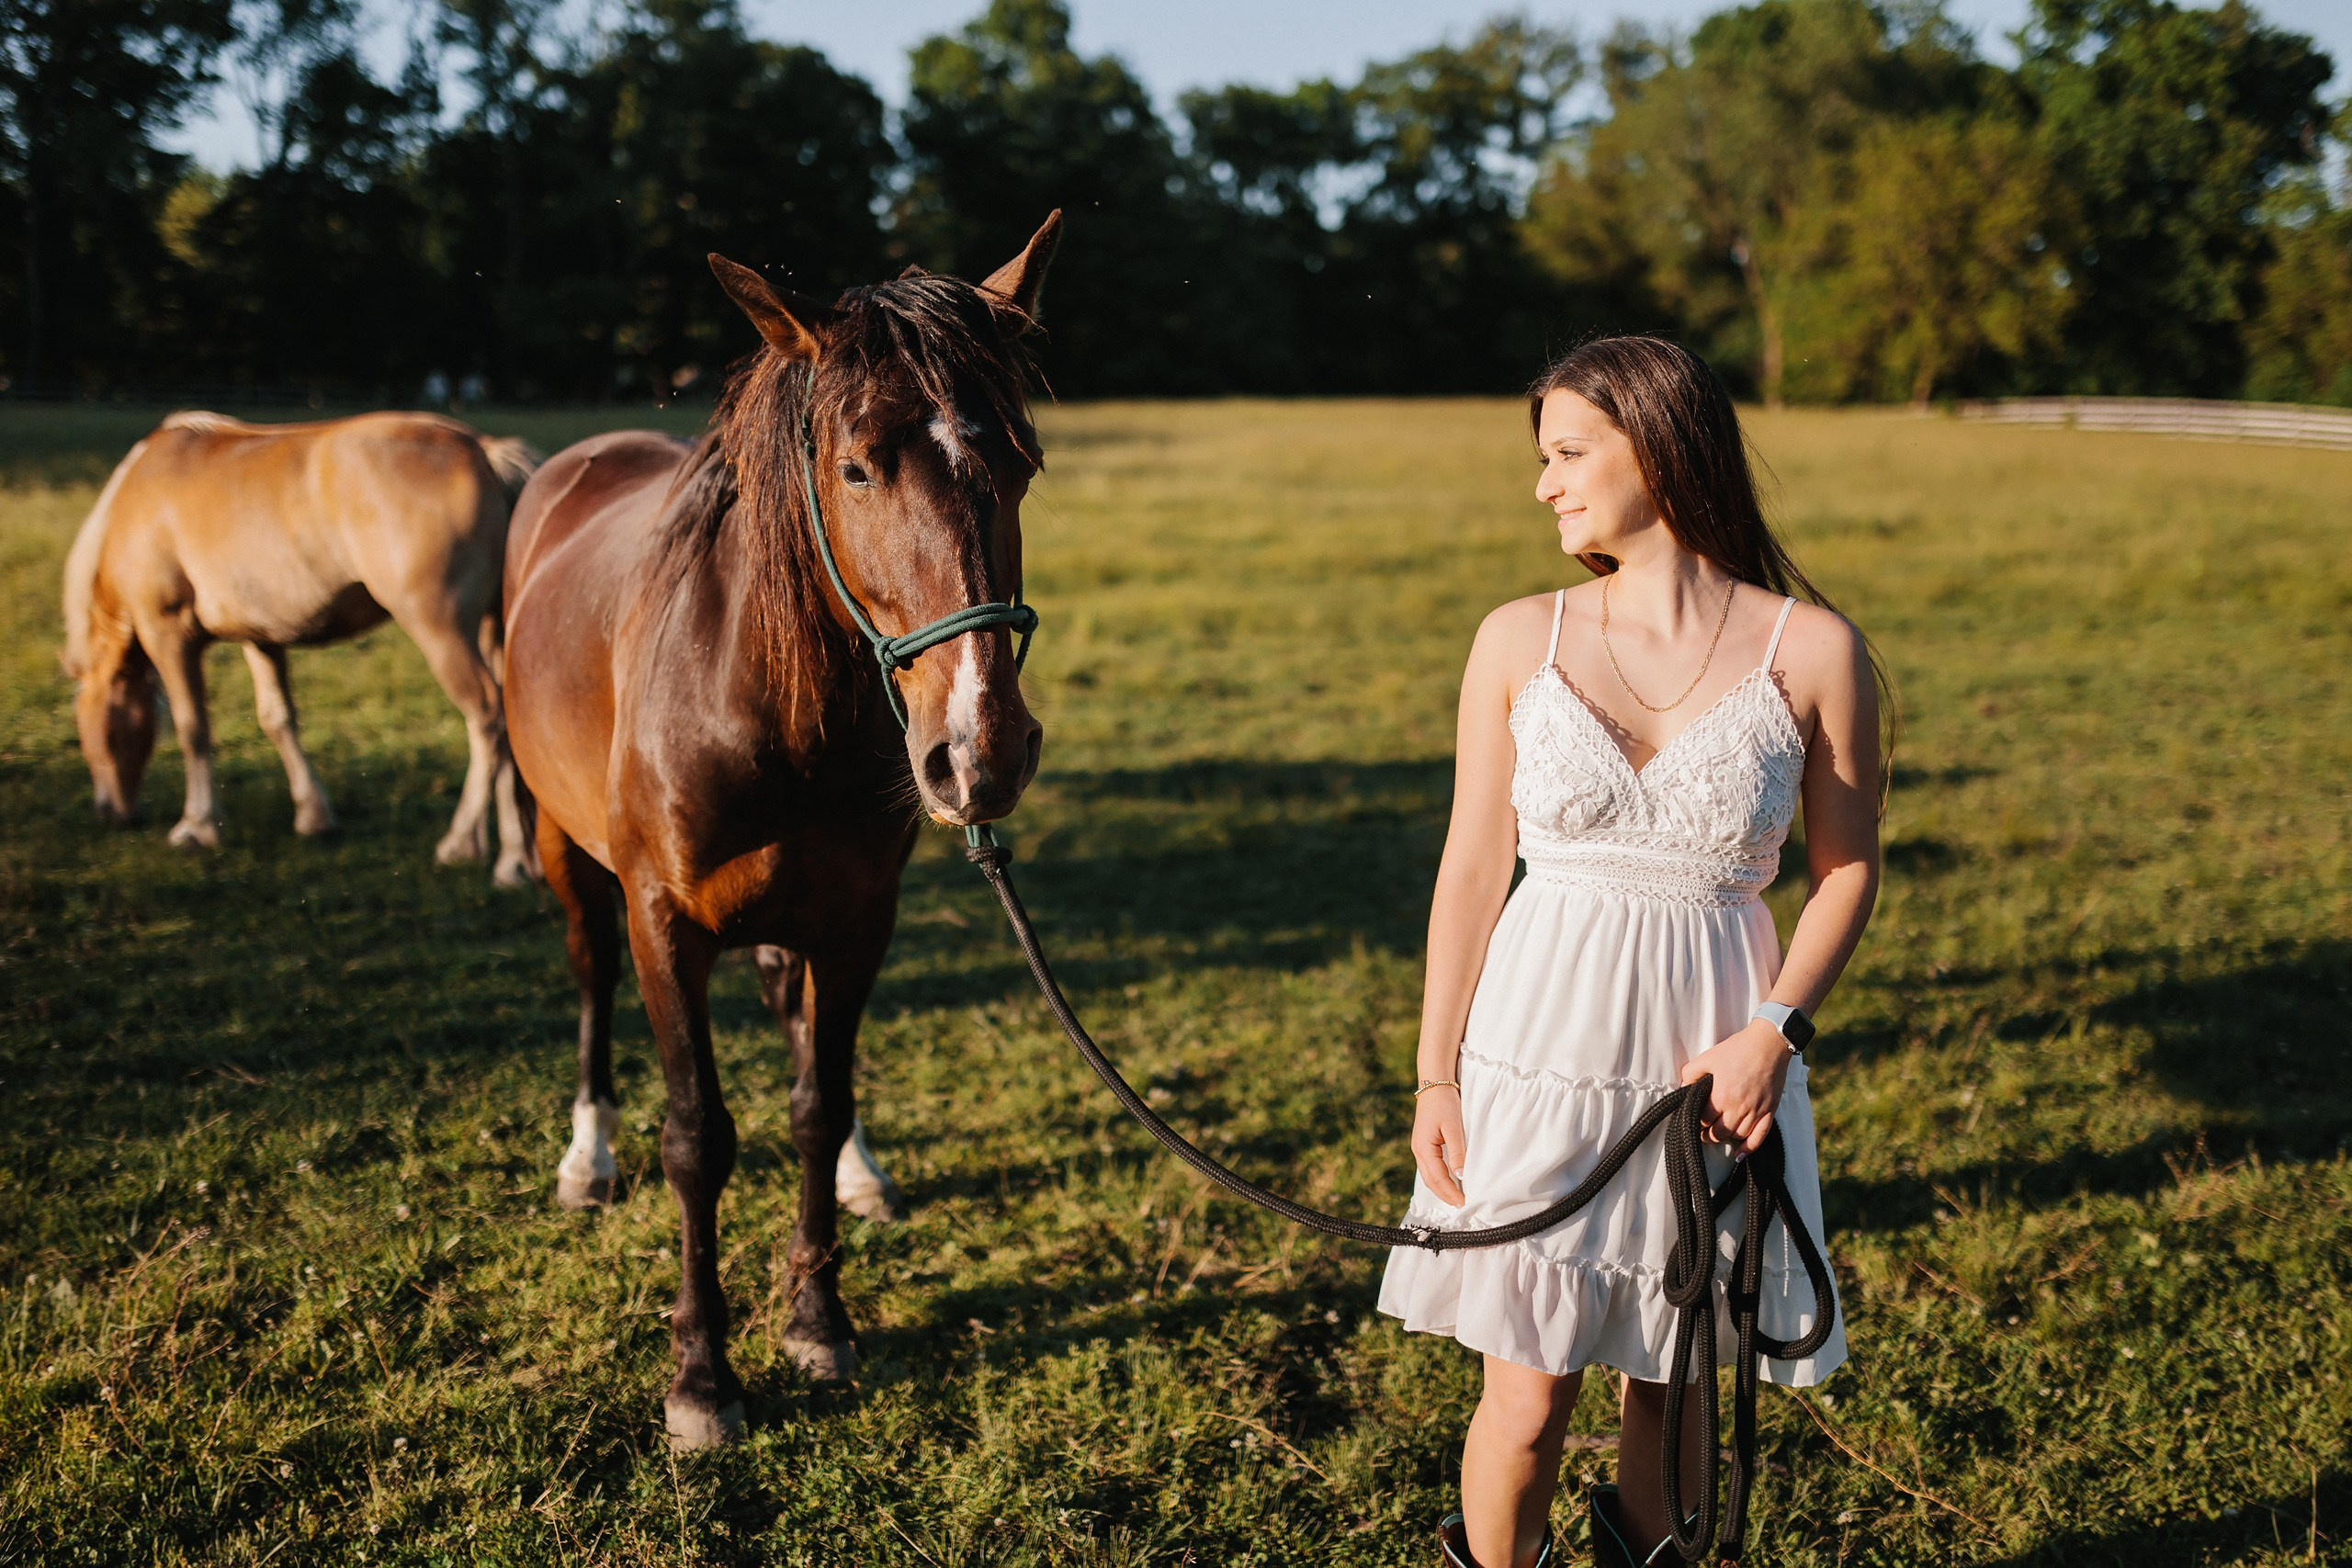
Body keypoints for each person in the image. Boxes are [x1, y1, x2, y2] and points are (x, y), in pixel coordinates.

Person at [1378, 337, 1883, 1568]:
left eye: (1567, 453)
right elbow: (1468, 868)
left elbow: (1850, 870)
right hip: (1535, 1044)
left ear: (1655, 443)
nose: (1544, 484)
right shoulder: (1517, 638)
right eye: (1541, 458)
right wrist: (1436, 1074)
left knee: (1674, 1380)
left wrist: (1773, 1035)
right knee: (1526, 1397)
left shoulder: (1813, 650)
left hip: (1714, 1052)